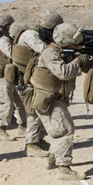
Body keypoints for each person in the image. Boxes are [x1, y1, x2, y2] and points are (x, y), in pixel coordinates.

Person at [28, 22, 93, 180]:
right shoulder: (50, 53)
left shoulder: (60, 52)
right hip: (47, 100)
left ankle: (52, 159)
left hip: (55, 98)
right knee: (64, 130)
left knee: (59, 130)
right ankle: (63, 169)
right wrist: (78, 61)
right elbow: (63, 73)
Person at [14, 10, 62, 157]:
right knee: (34, 111)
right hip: (25, 80)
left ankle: (38, 139)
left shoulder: (36, 34)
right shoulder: (31, 35)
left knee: (41, 109)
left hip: (31, 77)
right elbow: (44, 51)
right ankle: (32, 144)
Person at [0, 13, 27, 141]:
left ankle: (22, 126)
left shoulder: (9, 39)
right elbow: (12, 55)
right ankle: (1, 129)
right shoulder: (4, 41)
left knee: (21, 103)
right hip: (3, 77)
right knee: (7, 104)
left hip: (13, 76)